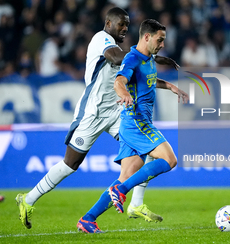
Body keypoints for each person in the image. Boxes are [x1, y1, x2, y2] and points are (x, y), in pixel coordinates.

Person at [16, 7, 179, 230]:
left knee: (148, 148)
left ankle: (136, 203)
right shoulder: (100, 40)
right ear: (109, 23)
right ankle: (28, 199)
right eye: (121, 24)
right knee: (70, 164)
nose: (124, 28)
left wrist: (154, 63)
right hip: (91, 113)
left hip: (115, 112)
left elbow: (134, 66)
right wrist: (152, 56)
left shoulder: (123, 50)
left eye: (127, 25)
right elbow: (114, 57)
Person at [76, 19, 188, 233]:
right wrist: (125, 93)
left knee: (126, 175)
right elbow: (119, 81)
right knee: (169, 159)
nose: (163, 44)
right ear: (147, 37)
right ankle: (121, 191)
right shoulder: (133, 58)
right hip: (137, 121)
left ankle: (88, 219)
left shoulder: (148, 57)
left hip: (133, 123)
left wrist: (170, 86)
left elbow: (148, 79)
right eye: (160, 39)